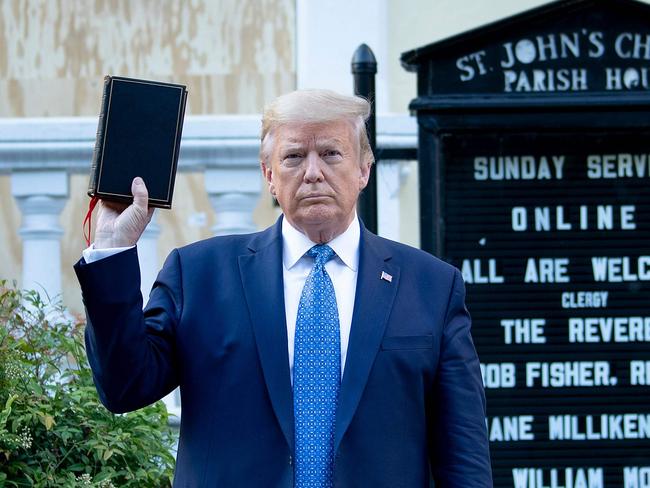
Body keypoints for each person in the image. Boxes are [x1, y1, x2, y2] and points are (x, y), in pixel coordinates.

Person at [74, 89, 492, 487]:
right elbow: (124, 387)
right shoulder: (200, 274)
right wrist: (113, 249)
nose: (313, 172)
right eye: (294, 157)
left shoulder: (432, 287)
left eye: (331, 153)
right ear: (269, 176)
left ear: (364, 168)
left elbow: (464, 457)